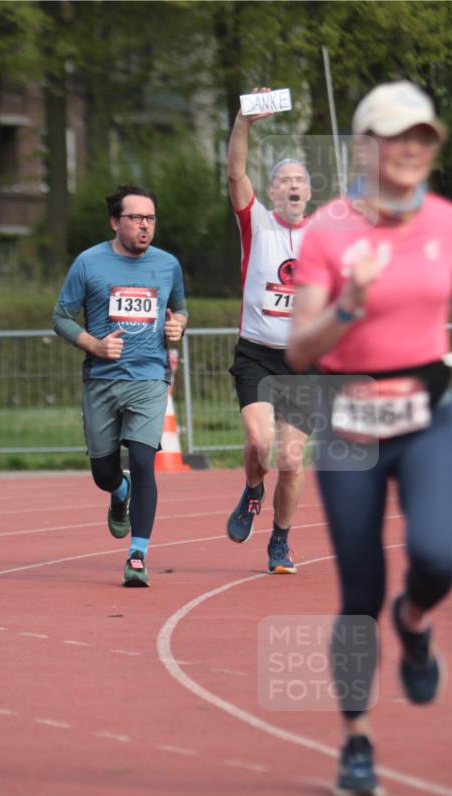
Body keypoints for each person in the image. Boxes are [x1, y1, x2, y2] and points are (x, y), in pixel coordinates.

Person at [287, 80, 451, 796]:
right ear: (366, 147)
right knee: (359, 589)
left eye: (423, 136)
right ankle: (355, 738)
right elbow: (297, 350)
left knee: (439, 551)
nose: (412, 148)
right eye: (397, 136)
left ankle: (413, 623)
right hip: (347, 419)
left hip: (427, 412)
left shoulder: (445, 222)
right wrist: (349, 305)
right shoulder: (327, 229)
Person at [53, 183, 188, 587]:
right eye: (136, 218)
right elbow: (60, 317)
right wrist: (93, 343)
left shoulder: (167, 265)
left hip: (149, 377)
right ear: (116, 222)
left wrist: (178, 323)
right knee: (103, 472)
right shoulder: (88, 263)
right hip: (101, 380)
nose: (145, 226)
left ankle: (138, 554)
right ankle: (118, 489)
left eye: (150, 219)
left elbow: (179, 308)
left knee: (145, 461)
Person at [226, 88, 313, 573]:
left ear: (309, 192)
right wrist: (244, 119)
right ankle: (252, 491)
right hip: (257, 354)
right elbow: (236, 172)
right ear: (274, 192)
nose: (292, 185)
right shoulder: (256, 223)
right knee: (260, 445)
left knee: (292, 460)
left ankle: (280, 541)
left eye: (300, 179)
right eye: (283, 179)